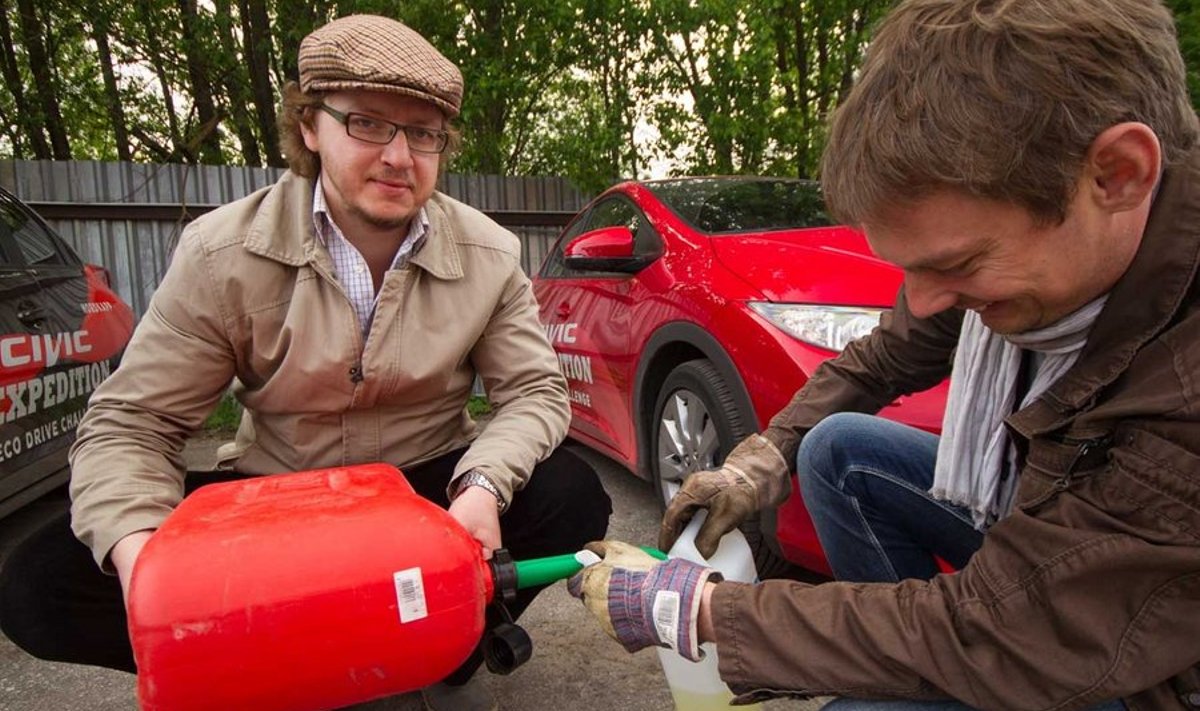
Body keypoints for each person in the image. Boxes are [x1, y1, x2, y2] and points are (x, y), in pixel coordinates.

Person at [568, 0, 1200, 709]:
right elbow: (886, 356)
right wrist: (762, 457)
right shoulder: (1045, 260)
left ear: (1116, 174)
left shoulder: (1183, 387)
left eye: (957, 262)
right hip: (1035, 553)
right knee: (838, 449)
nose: (925, 302)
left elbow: (1002, 629)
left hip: (1139, 662)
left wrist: (701, 611)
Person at [0, 14, 611, 711]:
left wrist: (482, 484)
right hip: (279, 503)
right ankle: (258, 655)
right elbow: (131, 423)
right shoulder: (217, 253)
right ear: (310, 126)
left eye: (423, 132)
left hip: (424, 492)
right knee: (38, 583)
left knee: (572, 491)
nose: (399, 156)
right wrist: (154, 568)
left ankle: (447, 640)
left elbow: (535, 393)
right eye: (368, 123)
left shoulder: (492, 254)